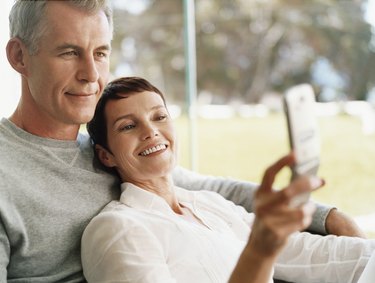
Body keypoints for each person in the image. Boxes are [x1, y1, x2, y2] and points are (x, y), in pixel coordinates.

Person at [0, 0, 365, 281]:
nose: (91, 75)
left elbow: (211, 190)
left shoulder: (109, 156)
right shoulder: (8, 174)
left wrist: (328, 216)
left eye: (100, 53)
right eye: (68, 52)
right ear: (19, 56)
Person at [81, 76, 375, 283]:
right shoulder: (117, 229)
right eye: (129, 126)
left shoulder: (208, 204)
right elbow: (266, 248)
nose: (151, 131)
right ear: (106, 155)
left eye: (159, 117)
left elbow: (305, 253)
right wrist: (260, 249)